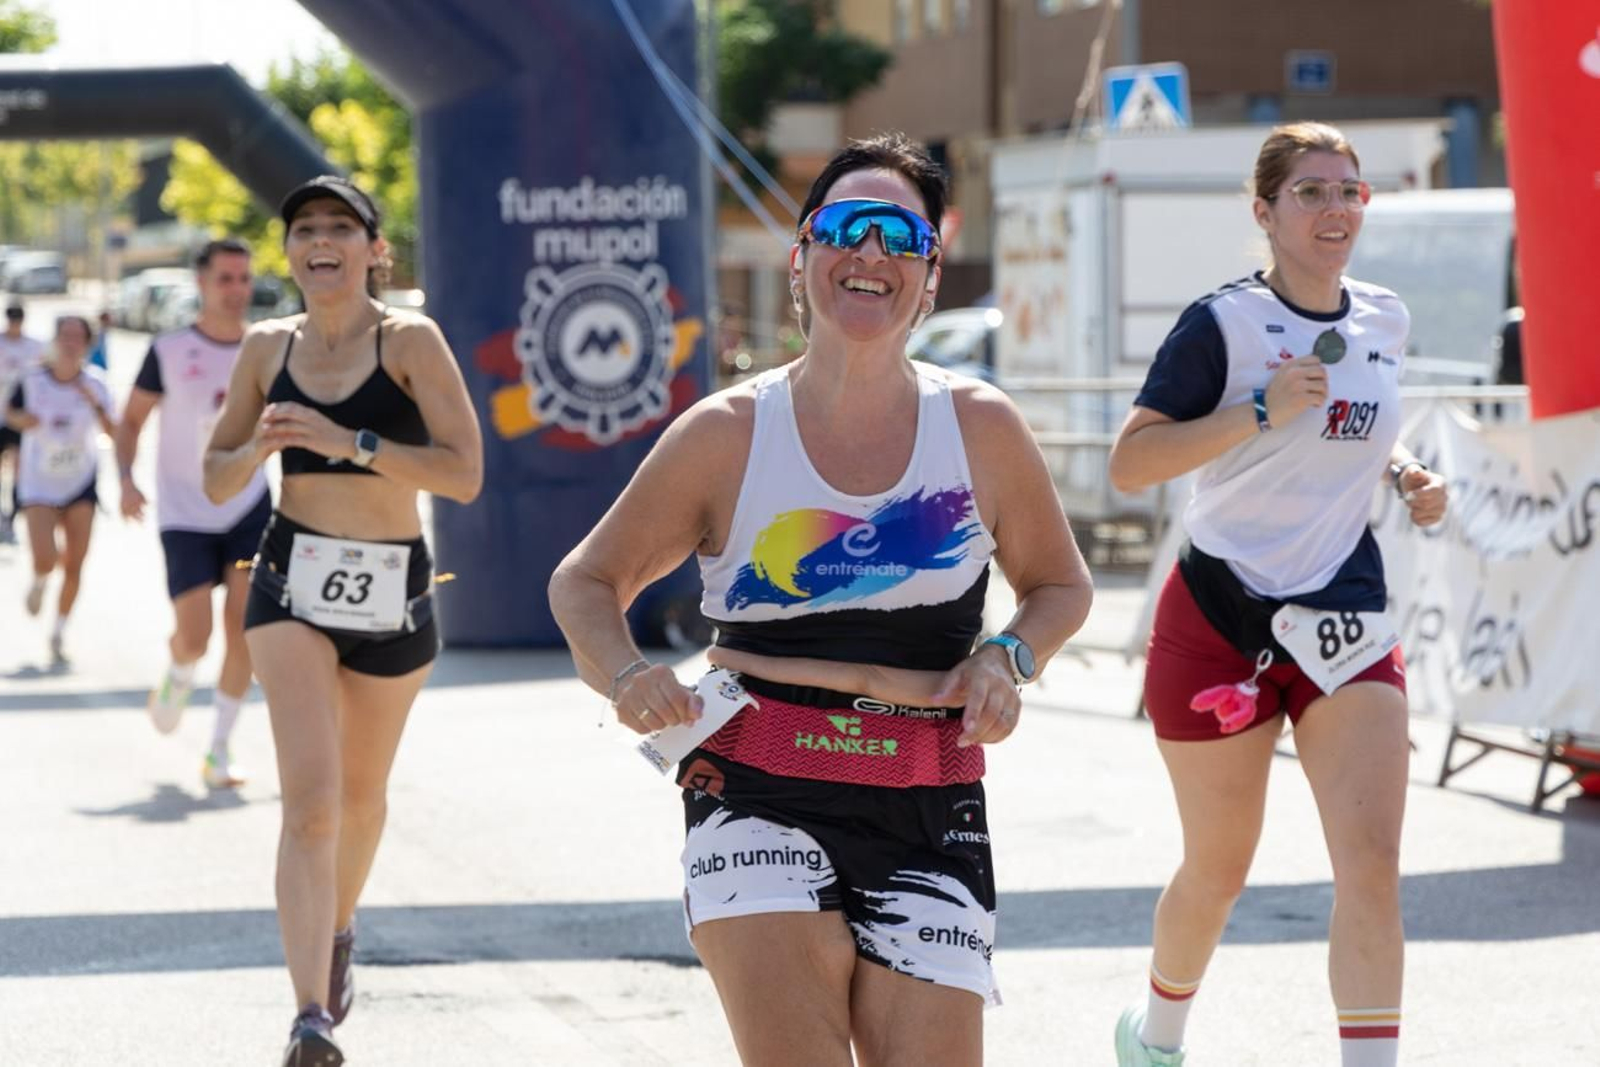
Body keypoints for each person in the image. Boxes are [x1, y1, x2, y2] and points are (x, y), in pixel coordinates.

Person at [549, 133, 1093, 1066]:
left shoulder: (979, 427)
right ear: (801, 258)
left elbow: (1060, 585)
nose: (871, 251)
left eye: (902, 236)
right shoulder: (726, 432)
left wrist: (1008, 657)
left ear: (930, 276)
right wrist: (628, 675)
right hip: (757, 776)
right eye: (846, 226)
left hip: (928, 783)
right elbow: (585, 581)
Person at [1105, 123, 1449, 1067]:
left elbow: (1361, 422)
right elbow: (1132, 463)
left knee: (1372, 863)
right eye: (1311, 192)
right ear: (1264, 211)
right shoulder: (1222, 324)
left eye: (1349, 191)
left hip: (1342, 610)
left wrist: (1405, 472)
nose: (1336, 209)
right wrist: (1258, 408)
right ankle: (1157, 1040)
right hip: (1220, 614)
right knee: (1219, 867)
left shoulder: (1384, 317)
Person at [201, 176, 481, 1066]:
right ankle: (309, 1017)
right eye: (304, 229)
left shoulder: (410, 341)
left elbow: (464, 472)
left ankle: (339, 924)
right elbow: (215, 475)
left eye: (339, 227)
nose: (320, 240)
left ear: (373, 249)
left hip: (395, 592)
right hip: (290, 584)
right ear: (290, 251)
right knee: (313, 804)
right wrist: (260, 446)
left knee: (361, 801)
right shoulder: (265, 348)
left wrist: (349, 442)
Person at [116, 238, 270, 790]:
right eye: (225, 279)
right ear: (201, 283)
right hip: (184, 511)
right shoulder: (169, 350)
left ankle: (219, 748)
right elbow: (131, 420)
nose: (237, 290)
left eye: (244, 278)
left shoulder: (267, 348)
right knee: (196, 635)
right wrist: (127, 479)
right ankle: (179, 670)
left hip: (249, 507)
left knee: (246, 629)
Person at [4, 315, 117, 664]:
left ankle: (58, 632)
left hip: (80, 482)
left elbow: (115, 432)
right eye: (65, 335)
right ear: (55, 340)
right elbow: (10, 413)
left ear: (87, 344)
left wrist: (94, 403)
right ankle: (40, 581)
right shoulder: (32, 379)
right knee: (46, 557)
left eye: (77, 337)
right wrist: (24, 421)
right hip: (38, 480)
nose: (70, 343)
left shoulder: (96, 384)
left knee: (75, 564)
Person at [0, 301, 47, 544]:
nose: (15, 325)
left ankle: (12, 515)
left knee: (19, 467)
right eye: (12, 321)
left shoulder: (35, 346)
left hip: (20, 417)